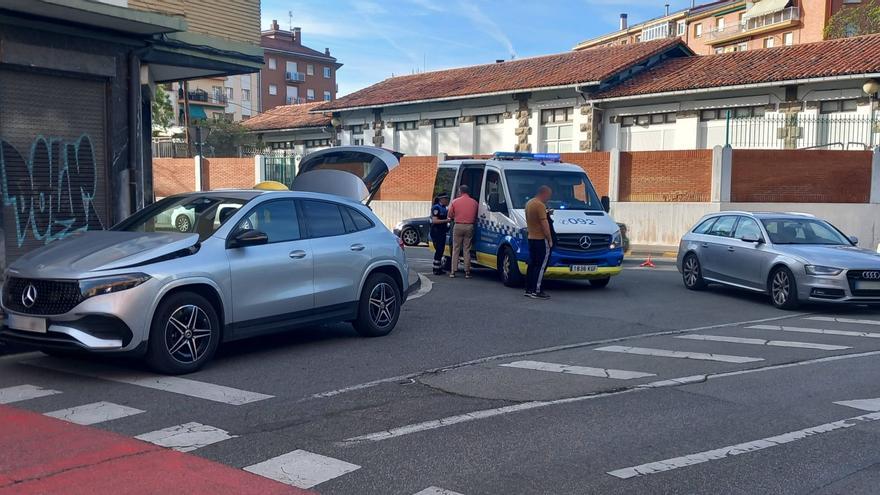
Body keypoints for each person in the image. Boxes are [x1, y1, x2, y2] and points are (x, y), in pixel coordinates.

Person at [525, 185, 553, 299]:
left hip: (531, 237)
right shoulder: (540, 205)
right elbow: (544, 224)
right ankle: (537, 290)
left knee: (532, 264)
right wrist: (550, 239)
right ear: (544, 193)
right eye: (548, 196)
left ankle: (528, 288)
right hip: (541, 239)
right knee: (541, 265)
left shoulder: (529, 203)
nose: (548, 199)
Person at [447, 184, 479, 278]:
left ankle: (453, 271)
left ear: (460, 192)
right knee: (467, 249)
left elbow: (450, 215)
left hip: (458, 225)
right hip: (470, 226)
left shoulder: (455, 202)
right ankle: (467, 272)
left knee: (456, 248)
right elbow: (476, 215)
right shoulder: (474, 203)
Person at [429, 192, 451, 275]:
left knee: (441, 250)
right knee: (439, 250)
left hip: (442, 231)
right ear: (441, 199)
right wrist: (446, 221)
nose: (447, 200)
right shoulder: (436, 208)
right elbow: (435, 220)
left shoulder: (445, 208)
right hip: (436, 231)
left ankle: (439, 267)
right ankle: (436, 269)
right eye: (446, 199)